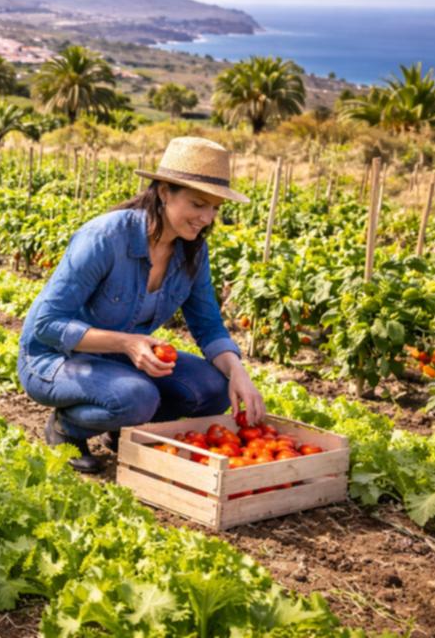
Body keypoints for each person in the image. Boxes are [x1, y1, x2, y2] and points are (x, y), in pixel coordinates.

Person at [18, 136, 266, 473]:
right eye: (198, 204)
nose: (207, 218)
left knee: (214, 389)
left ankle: (123, 431)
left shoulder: (192, 251)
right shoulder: (105, 238)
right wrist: (127, 342)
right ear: (164, 192)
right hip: (55, 358)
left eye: (215, 208)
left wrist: (238, 372)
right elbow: (47, 325)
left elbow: (208, 326)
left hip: (119, 359)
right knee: (138, 397)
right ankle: (67, 428)